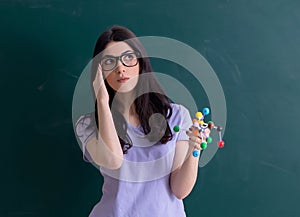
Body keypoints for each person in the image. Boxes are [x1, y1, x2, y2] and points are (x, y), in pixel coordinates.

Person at [75, 25, 209, 217]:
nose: (120, 68)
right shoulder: (88, 125)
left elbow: (179, 190)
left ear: (140, 62)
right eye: (109, 62)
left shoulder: (177, 116)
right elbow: (112, 160)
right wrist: (102, 101)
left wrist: (195, 150)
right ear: (99, 71)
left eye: (128, 58)